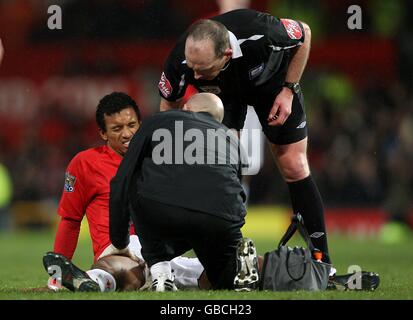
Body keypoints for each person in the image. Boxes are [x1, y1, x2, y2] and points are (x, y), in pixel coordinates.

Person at [158, 9, 333, 267]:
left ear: (226, 54)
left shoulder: (262, 32)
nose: (194, 76)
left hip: (271, 85)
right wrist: (173, 154)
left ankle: (322, 262)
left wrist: (288, 89)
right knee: (222, 167)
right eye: (192, 67)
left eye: (202, 69)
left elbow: (304, 33)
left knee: (294, 165)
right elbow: (168, 105)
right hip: (224, 95)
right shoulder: (183, 58)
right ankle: (225, 258)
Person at [44, 92, 206, 292]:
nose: (127, 134)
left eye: (131, 125)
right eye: (117, 128)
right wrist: (56, 281)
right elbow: (70, 221)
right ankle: (91, 281)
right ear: (103, 133)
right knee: (120, 272)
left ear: (141, 124)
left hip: (160, 253)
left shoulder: (158, 158)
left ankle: (248, 269)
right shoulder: (85, 163)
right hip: (117, 251)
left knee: (215, 274)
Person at [109, 92, 259, 291]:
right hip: (220, 219)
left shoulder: (157, 121)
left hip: (163, 213)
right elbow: (236, 192)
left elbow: (122, 180)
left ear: (186, 108)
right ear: (217, 120)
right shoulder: (233, 140)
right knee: (220, 278)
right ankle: (236, 271)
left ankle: (160, 270)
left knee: (138, 175)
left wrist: (119, 240)